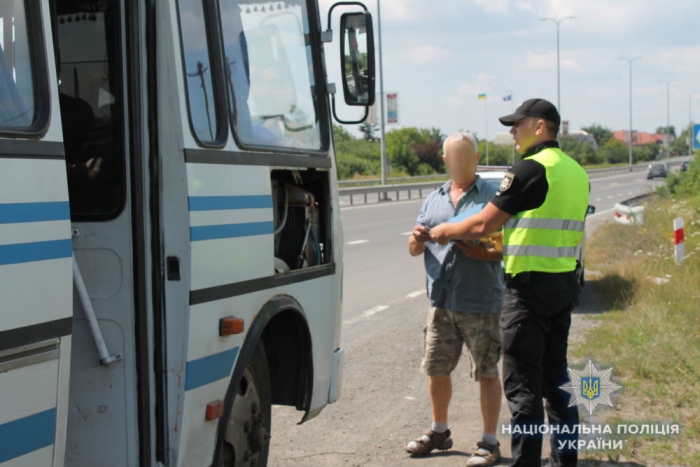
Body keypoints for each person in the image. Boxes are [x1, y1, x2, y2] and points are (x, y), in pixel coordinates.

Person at [429, 99, 590, 467]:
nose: (511, 131)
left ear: (540, 127)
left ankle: (526, 463)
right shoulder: (576, 171)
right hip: (563, 286)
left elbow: (484, 223)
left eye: (517, 124)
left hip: (528, 293)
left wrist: (445, 230)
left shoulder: (530, 169)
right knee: (557, 380)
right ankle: (565, 461)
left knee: (523, 387)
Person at [406, 132, 505, 466]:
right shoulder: (434, 198)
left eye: (467, 156)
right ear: (445, 160)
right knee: (436, 369)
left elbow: (508, 249)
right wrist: (417, 240)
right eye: (454, 157)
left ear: (477, 159)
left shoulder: (494, 197)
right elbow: (414, 248)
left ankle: (489, 442)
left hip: (481, 301)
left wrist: (476, 250)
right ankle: (439, 431)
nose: (460, 162)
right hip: (441, 301)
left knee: (487, 372)